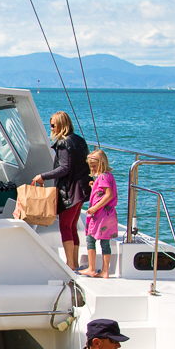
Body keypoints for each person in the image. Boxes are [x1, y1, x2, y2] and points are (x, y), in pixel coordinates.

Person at [32, 111, 91, 271]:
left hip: (69, 191)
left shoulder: (64, 143)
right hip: (81, 189)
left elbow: (64, 168)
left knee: (65, 226)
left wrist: (43, 176)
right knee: (72, 227)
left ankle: (70, 264)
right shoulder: (79, 140)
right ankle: (75, 262)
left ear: (61, 125)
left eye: (53, 125)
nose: (51, 128)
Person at [80, 149, 118, 278]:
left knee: (90, 239)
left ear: (101, 164)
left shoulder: (102, 177)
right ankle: (105, 271)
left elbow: (108, 195)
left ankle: (91, 268)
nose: (92, 168)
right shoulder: (108, 176)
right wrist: (94, 187)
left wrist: (95, 208)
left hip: (100, 214)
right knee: (105, 242)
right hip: (109, 214)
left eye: (94, 166)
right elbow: (103, 193)